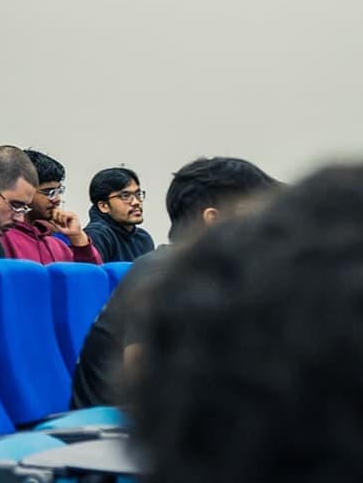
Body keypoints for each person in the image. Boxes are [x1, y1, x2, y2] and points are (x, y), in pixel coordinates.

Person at [128, 160, 347, 483]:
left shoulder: (212, 275)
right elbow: (143, 375)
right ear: (214, 220)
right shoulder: (166, 274)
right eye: (257, 214)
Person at [70, 156, 278, 411]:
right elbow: (147, 384)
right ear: (214, 219)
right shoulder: (164, 274)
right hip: (111, 427)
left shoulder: (205, 273)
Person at [0, 150, 101, 265]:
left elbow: (92, 280)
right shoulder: (1, 238)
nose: (57, 199)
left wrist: (78, 237)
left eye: (59, 191)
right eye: (48, 192)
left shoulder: (58, 246)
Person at [85, 166, 155, 264]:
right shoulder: (97, 235)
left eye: (138, 194)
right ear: (104, 206)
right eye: (125, 196)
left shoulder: (143, 238)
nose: (136, 202)